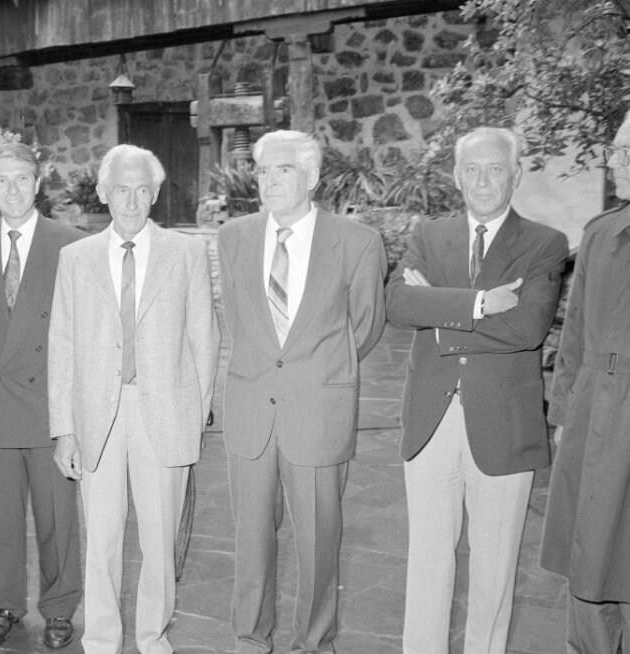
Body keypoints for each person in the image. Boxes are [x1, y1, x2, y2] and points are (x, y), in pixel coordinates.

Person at [386, 126, 569, 654]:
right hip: (431, 420)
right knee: (427, 560)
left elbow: (528, 328)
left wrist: (438, 314)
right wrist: (479, 304)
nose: (483, 181)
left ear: (516, 175)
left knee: (495, 569)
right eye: (472, 169)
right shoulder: (430, 235)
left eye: (495, 170)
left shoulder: (544, 244)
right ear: (456, 176)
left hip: (504, 425)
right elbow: (397, 304)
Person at [218, 130, 386, 654]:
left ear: (311, 177)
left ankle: (313, 642)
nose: (268, 180)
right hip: (251, 410)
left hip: (317, 412)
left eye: (283, 169)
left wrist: (315, 370)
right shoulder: (233, 237)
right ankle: (250, 639)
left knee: (317, 542)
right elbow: (237, 321)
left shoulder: (358, 242)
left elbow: (365, 327)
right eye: (263, 170)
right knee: (250, 540)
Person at [49, 144, 218, 654]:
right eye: (121, 189)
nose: (131, 200)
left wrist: (194, 415)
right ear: (103, 193)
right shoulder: (76, 257)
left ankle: (153, 637)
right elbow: (62, 343)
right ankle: (101, 640)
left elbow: (204, 338)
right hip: (96, 413)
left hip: (164, 411)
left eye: (142, 190)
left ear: (155, 194)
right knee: (101, 538)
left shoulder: (186, 253)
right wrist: (64, 428)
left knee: (159, 540)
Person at [0, 143, 84, 649]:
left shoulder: (70, 243)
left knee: (57, 518)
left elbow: (79, 332)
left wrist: (73, 415)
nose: (11, 189)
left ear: (37, 183)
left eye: (21, 178)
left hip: (49, 402)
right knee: (1, 515)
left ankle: (59, 607)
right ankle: (5, 605)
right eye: (1, 180)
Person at [540, 110, 630, 653]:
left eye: (626, 151)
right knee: (590, 556)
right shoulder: (601, 234)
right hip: (595, 415)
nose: (613, 162)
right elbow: (572, 336)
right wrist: (563, 414)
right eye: (615, 149)